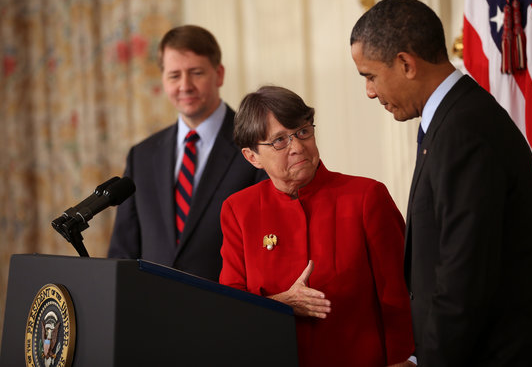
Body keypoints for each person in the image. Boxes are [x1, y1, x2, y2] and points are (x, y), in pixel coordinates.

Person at [350, 0, 532, 366]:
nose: (369, 91)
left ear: (405, 64)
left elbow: (464, 277)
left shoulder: (465, 131)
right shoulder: (451, 119)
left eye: (370, 76)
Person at [219, 85, 414, 366]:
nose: (297, 147)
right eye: (279, 141)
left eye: (302, 132)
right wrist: (281, 303)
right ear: (252, 156)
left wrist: (403, 360)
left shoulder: (366, 197)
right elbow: (230, 306)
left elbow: (399, 296)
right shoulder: (238, 209)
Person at [108, 25, 266, 281]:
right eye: (174, 75)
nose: (185, 85)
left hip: (228, 310)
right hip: (152, 311)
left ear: (219, 74)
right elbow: (123, 252)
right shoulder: (142, 156)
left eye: (196, 73)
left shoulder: (256, 144)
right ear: (163, 80)